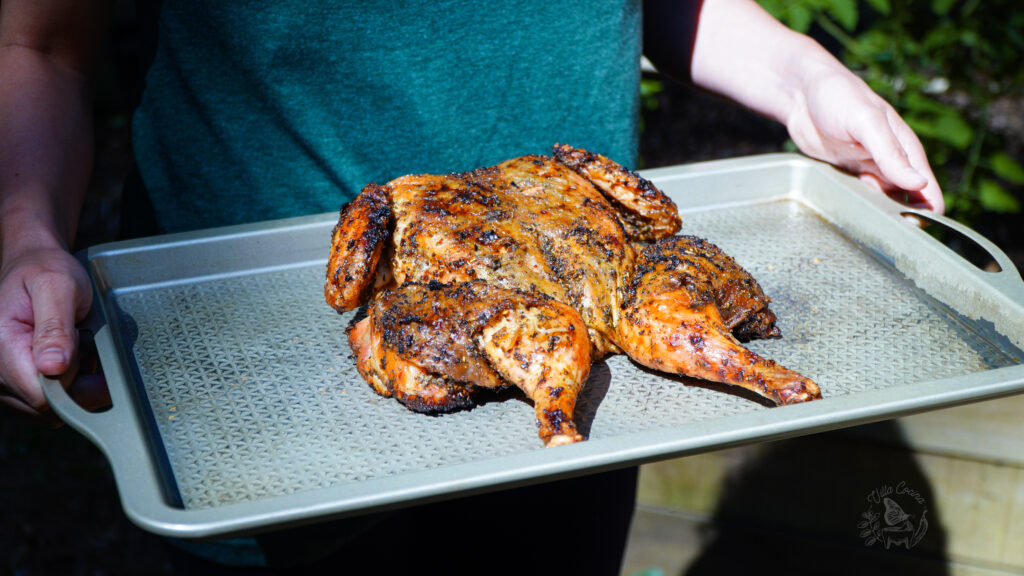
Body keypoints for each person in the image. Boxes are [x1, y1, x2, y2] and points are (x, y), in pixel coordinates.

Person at [0, 0, 945, 573]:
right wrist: (23, 230)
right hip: (261, 401)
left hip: (589, 367)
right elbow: (42, 45)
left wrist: (798, 75)